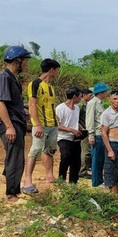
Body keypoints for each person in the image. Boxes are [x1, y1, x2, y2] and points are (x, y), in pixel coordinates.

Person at [23, 58, 61, 193]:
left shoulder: (50, 87)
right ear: (52, 70)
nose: (57, 73)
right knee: (35, 150)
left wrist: (56, 120)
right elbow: (32, 104)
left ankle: (49, 176)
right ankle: (27, 180)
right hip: (41, 125)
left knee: (50, 150)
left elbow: (50, 106)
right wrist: (37, 124)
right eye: (57, 70)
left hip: (53, 125)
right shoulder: (35, 84)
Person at [0, 45, 31, 203]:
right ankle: (10, 195)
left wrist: (24, 113)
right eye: (25, 60)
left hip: (15, 121)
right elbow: (1, 103)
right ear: (17, 61)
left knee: (16, 157)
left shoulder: (13, 79)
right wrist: (9, 126)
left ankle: (14, 191)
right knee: (15, 158)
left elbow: (12, 104)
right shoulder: (4, 77)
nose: (27, 64)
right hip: (10, 124)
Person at [55, 87, 83, 183]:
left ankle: (73, 182)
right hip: (63, 137)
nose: (81, 99)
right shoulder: (60, 108)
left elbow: (74, 120)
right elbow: (57, 125)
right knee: (65, 156)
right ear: (75, 97)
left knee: (76, 161)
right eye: (80, 96)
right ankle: (61, 180)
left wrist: (80, 128)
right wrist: (71, 130)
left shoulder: (77, 109)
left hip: (74, 138)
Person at [86, 82, 110, 187]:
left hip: (101, 134)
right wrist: (91, 134)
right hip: (96, 134)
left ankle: (100, 180)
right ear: (102, 92)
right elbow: (90, 119)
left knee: (101, 159)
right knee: (96, 159)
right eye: (106, 91)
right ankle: (96, 182)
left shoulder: (100, 103)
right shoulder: (93, 103)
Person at [78, 88, 93, 178]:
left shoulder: (87, 105)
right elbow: (76, 118)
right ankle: (82, 171)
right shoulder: (80, 106)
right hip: (84, 131)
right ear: (84, 95)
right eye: (90, 95)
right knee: (86, 152)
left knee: (87, 152)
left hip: (88, 131)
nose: (91, 97)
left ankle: (84, 170)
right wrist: (81, 128)